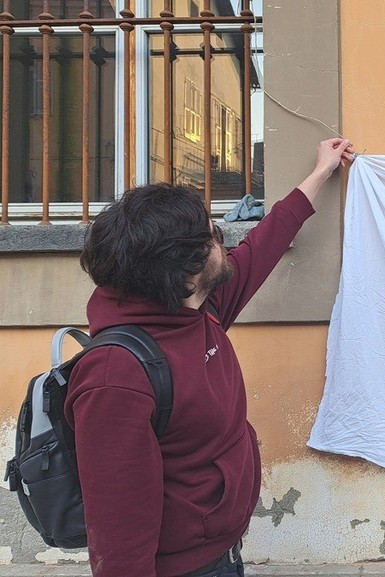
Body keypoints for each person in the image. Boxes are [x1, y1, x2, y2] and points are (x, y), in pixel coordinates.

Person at [69, 137, 356, 577]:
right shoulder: (117, 376)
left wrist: (321, 171)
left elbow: (264, 243)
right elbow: (117, 529)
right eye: (214, 236)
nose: (224, 242)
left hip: (221, 551)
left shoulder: (199, 309)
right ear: (186, 271)